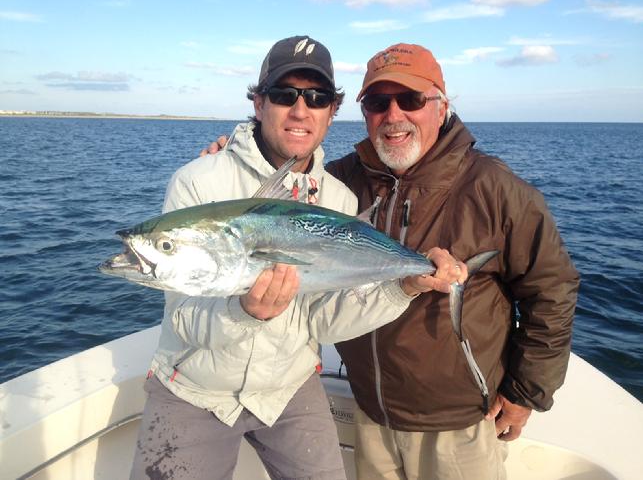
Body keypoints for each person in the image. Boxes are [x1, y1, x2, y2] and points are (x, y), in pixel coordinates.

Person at [130, 36, 466, 480]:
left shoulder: (339, 198)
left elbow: (325, 322)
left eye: (318, 97)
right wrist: (243, 312)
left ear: (332, 111)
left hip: (289, 390)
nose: (301, 110)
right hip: (194, 390)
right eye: (284, 95)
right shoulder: (198, 182)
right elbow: (183, 320)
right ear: (258, 102)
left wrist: (405, 285)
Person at [323, 43, 580, 479]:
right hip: (369, 410)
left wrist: (525, 393)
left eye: (411, 100)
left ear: (441, 107)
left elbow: (551, 289)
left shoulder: (495, 188)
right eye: (378, 102)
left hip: (459, 425)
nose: (393, 115)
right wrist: (231, 152)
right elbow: (276, 204)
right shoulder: (338, 180)